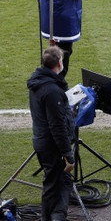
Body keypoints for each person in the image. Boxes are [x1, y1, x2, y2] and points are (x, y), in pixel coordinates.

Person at [27, 46, 75, 221]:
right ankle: (50, 217)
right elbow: (57, 126)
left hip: (42, 140)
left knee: (62, 182)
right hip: (52, 145)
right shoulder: (52, 91)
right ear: (59, 63)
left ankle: (57, 216)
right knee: (54, 186)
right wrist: (67, 153)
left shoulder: (38, 82)